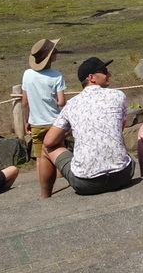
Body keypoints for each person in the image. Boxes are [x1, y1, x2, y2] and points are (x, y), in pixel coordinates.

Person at [43, 57, 135, 196]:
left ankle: (45, 196)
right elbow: (118, 130)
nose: (109, 74)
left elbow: (49, 141)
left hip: (86, 184)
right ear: (91, 77)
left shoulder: (72, 104)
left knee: (45, 148)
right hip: (123, 175)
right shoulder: (118, 95)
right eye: (104, 71)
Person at [22, 38, 67, 199]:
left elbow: (25, 101)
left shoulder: (27, 74)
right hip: (55, 122)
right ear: (51, 57)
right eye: (55, 51)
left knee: (40, 156)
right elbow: (61, 102)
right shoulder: (57, 76)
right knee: (58, 152)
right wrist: (54, 101)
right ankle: (60, 180)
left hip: (36, 122)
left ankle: (42, 185)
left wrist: (26, 120)